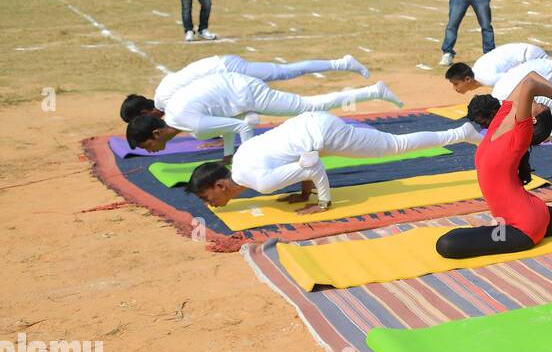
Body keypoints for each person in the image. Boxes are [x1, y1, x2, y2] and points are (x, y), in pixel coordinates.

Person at [183, 112, 481, 214]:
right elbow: (294, 156)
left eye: (206, 196)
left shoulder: (260, 183)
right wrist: (303, 192)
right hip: (313, 126)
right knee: (382, 142)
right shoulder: (240, 159)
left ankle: (461, 132)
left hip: (324, 134)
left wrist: (323, 202)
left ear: (220, 185)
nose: (209, 203)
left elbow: (312, 164)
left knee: (394, 145)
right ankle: (460, 132)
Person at [435, 70, 552, 259]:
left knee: (446, 244)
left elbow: (530, 84)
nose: (538, 101)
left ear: (531, 120)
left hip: (522, 229)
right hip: (537, 212)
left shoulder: (520, 135)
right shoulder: (501, 118)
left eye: (538, 104)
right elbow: (529, 76)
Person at [124, 72, 403, 159]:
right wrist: (227, 153)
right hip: (236, 95)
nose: (150, 152)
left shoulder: (187, 123)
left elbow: (239, 126)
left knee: (310, 106)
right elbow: (229, 126)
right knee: (307, 108)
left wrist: (244, 156)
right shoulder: (177, 118)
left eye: (146, 145)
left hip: (246, 92)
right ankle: (372, 92)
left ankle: (373, 90)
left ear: (156, 133)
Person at [119, 53, 370, 121]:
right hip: (226, 72)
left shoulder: (168, 102)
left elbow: (207, 92)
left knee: (286, 71)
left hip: (230, 71)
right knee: (285, 73)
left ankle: (343, 62)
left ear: (145, 112)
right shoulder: (162, 93)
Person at [444, 42, 548, 94]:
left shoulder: (487, 78)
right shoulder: (479, 72)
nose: (455, 88)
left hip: (532, 57)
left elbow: (515, 80)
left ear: (467, 79)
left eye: (456, 84)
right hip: (528, 54)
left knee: (545, 90)